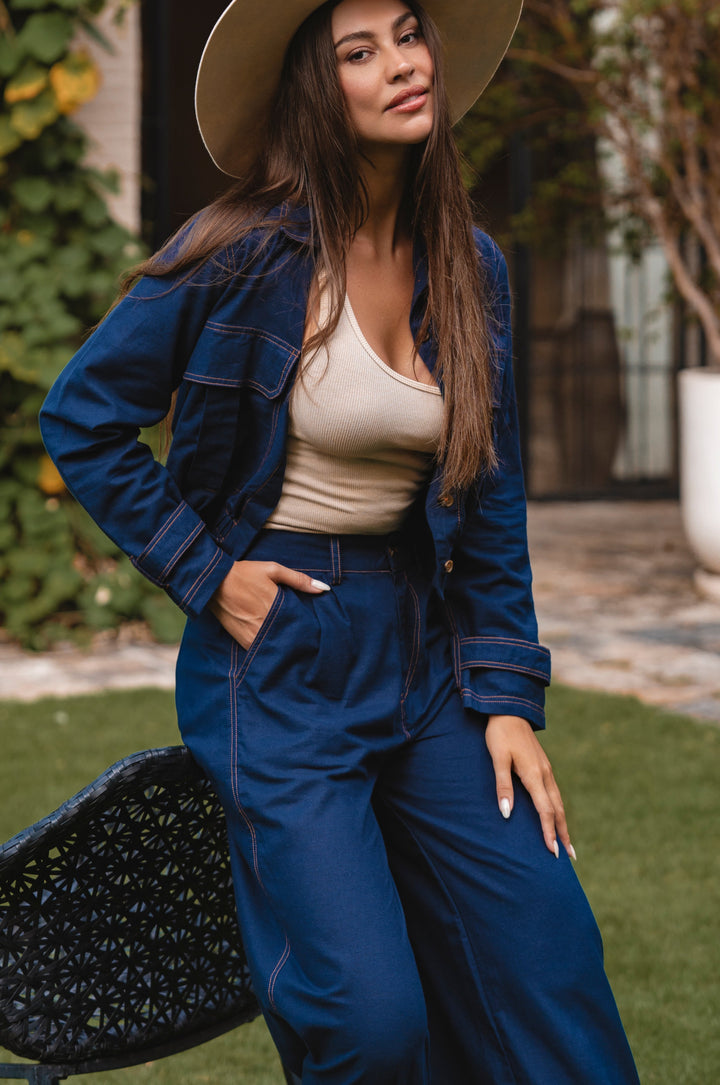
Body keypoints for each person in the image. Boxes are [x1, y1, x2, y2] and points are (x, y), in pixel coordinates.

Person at [39, 1, 641, 1081]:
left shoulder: (472, 268)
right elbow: (81, 416)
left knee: (547, 956)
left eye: (408, 35)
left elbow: (489, 502)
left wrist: (506, 694)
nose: (404, 63)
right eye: (360, 53)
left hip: (428, 658)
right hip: (283, 658)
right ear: (320, 90)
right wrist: (207, 574)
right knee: (368, 1020)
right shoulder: (239, 254)